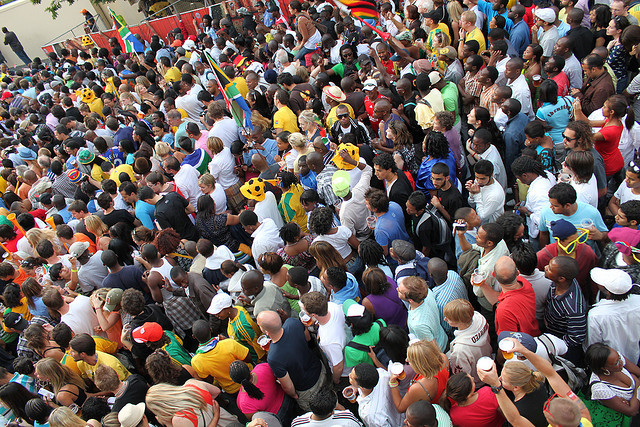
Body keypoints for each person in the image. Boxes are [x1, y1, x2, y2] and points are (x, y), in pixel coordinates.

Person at [256, 310, 325, 412]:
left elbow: (287, 386)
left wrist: (294, 395)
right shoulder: (292, 322)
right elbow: (308, 338)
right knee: (329, 396)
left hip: (307, 389)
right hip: (320, 369)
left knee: (319, 411)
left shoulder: (273, 357)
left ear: (266, 332)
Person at [587, 268, 640, 363]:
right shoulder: (638, 301)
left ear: (607, 291)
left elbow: (594, 343)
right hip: (635, 357)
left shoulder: (596, 314)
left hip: (610, 363)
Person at [543, 256, 587, 365]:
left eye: (549, 269)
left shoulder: (574, 307)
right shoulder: (560, 283)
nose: (545, 267)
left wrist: (557, 346)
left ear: (561, 278)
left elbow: (576, 337)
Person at [444, 299, 491, 387]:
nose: (445, 319)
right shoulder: (479, 317)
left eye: (449, 318)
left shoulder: (460, 350)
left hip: (476, 381)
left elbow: (462, 376)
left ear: (459, 322)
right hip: (487, 359)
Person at [398, 276, 448, 351]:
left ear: (411, 300)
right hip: (442, 337)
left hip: (440, 348)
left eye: (400, 291)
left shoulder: (418, 324)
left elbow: (432, 347)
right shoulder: (426, 293)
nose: (396, 289)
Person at [466, 160, 505, 225]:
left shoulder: (495, 195)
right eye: (477, 177)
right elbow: (472, 204)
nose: (479, 181)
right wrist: (472, 193)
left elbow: (483, 217)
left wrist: (476, 194)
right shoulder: (478, 181)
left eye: (483, 179)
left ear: (491, 175)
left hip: (491, 227)